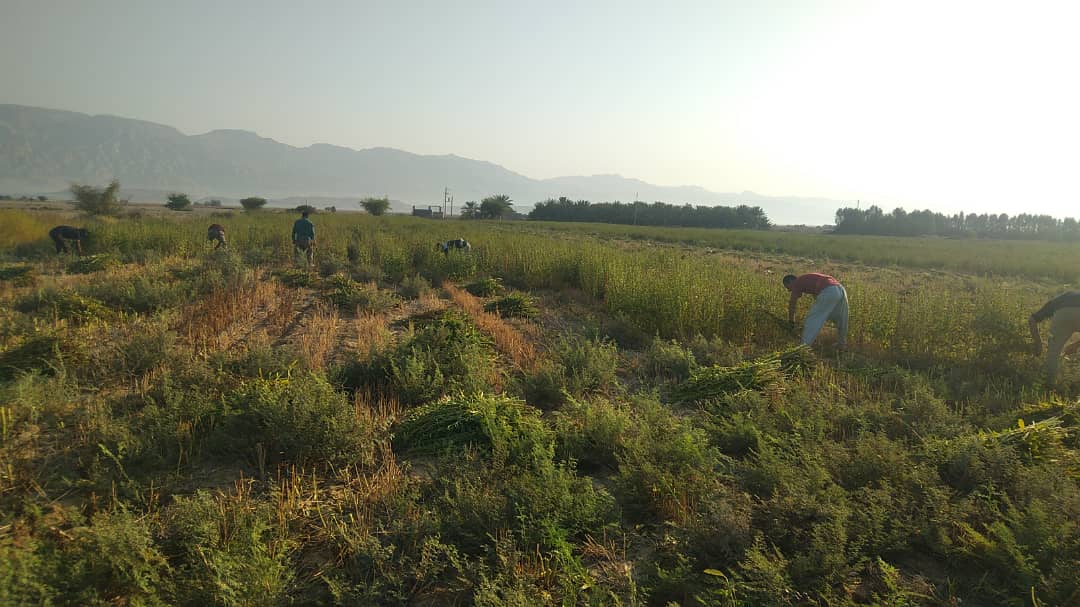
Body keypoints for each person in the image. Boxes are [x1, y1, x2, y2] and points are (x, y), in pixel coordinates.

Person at [783, 272, 849, 349]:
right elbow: (819, 297)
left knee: (812, 319)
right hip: (840, 289)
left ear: (790, 281)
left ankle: (803, 348)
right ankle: (841, 344)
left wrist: (791, 321)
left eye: (787, 287)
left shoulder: (797, 282)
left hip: (830, 290)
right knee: (841, 319)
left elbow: (792, 303)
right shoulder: (807, 280)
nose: (789, 290)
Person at [1029, 291, 1080, 379]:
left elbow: (1032, 320)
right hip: (1066, 312)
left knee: (1053, 353)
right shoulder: (1072, 295)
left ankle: (1050, 384)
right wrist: (1076, 344)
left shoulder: (1054, 302)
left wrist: (1038, 343)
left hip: (1063, 314)